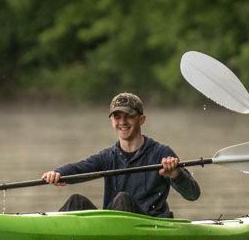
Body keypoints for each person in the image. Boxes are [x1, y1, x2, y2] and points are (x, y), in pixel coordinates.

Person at [41, 92, 200, 217]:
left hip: (152, 226)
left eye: (129, 116)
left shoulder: (162, 153)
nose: (122, 122)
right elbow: (80, 168)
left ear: (141, 119)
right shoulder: (107, 156)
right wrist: (58, 173)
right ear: (111, 121)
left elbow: (193, 194)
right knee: (75, 202)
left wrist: (175, 174)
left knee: (122, 199)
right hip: (113, 223)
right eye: (117, 116)